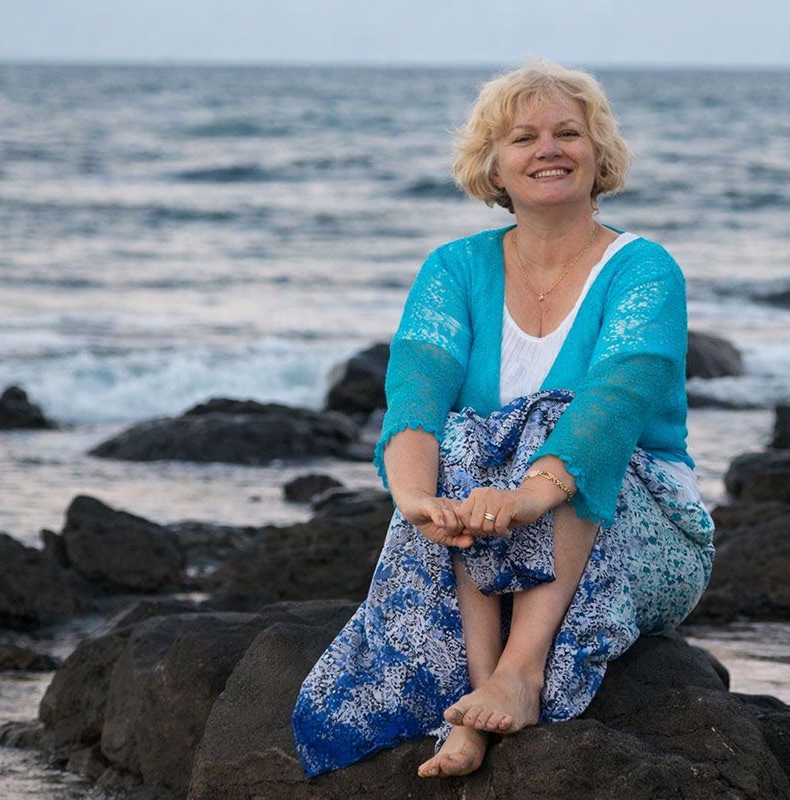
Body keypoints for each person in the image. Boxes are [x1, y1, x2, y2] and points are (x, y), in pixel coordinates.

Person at [292, 59, 715, 780]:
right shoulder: (455, 269)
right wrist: (417, 502)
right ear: (493, 165)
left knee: (555, 416)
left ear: (598, 153)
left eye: (567, 133)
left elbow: (615, 405)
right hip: (488, 530)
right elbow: (416, 397)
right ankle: (477, 697)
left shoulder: (644, 269)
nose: (548, 149)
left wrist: (528, 498)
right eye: (523, 137)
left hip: (637, 531)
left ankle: (521, 673)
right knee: (463, 436)